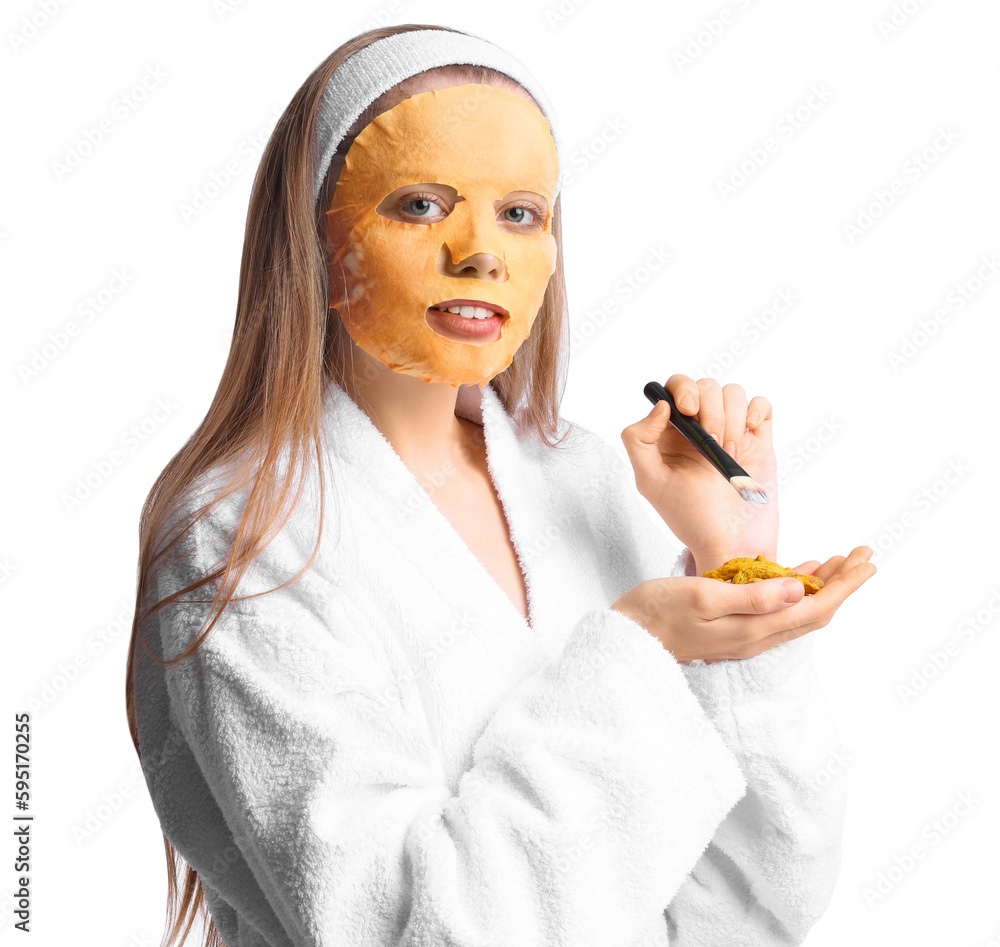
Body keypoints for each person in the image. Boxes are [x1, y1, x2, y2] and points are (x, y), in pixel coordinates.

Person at [126, 23, 877, 947]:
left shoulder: (581, 482)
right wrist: (642, 647)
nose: (482, 251)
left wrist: (733, 561)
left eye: (521, 211)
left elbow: (760, 903)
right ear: (315, 245)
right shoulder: (243, 534)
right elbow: (409, 932)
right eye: (420, 203)